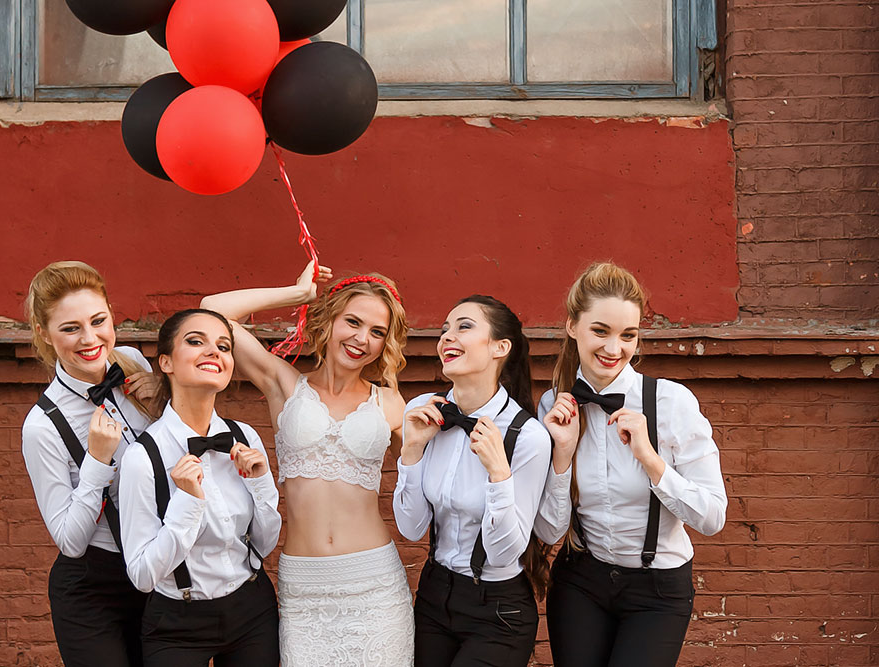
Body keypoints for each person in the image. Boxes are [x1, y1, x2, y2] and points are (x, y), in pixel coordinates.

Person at [200, 261, 414, 666]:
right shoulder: (285, 384)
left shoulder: (390, 403)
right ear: (329, 320)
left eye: (377, 332)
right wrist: (299, 293)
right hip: (305, 588)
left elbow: (422, 483)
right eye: (353, 322)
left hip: (374, 585)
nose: (362, 339)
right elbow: (213, 311)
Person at [535, 262, 728, 667]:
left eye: (628, 335)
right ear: (572, 327)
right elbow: (549, 531)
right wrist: (562, 455)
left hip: (658, 590)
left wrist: (650, 459)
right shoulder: (555, 405)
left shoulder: (672, 403)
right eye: (600, 331)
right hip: (580, 583)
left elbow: (712, 517)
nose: (614, 348)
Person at [394, 295, 552, 667]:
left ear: (500, 348)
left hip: (498, 611)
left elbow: (503, 554)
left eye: (464, 326)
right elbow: (411, 528)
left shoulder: (528, 437)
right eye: (444, 329)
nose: (447, 337)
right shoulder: (424, 412)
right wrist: (411, 451)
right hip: (433, 596)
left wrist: (499, 474)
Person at [119, 308, 282, 666]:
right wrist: (187, 504)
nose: (213, 352)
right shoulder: (142, 457)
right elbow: (142, 576)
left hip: (252, 609)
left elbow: (265, 544)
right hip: (177, 622)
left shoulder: (244, 437)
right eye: (196, 342)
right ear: (166, 362)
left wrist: (260, 484)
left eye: (223, 347)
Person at [21, 260, 157, 667]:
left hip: (157, 569)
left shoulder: (134, 362)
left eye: (98, 321)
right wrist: (97, 462)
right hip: (94, 588)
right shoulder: (42, 426)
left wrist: (165, 398)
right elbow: (70, 541)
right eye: (70, 328)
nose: (90, 338)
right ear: (44, 334)